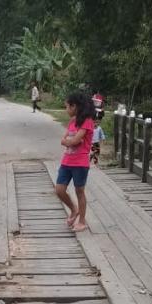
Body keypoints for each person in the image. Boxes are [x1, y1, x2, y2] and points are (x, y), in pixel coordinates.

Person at [55, 91, 95, 232]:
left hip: (80, 163)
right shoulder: (72, 121)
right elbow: (64, 140)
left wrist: (70, 141)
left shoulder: (87, 121)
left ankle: (82, 221)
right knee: (59, 190)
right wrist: (70, 141)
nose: (66, 109)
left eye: (67, 106)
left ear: (75, 106)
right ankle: (74, 209)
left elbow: (75, 140)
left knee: (79, 191)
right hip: (67, 161)